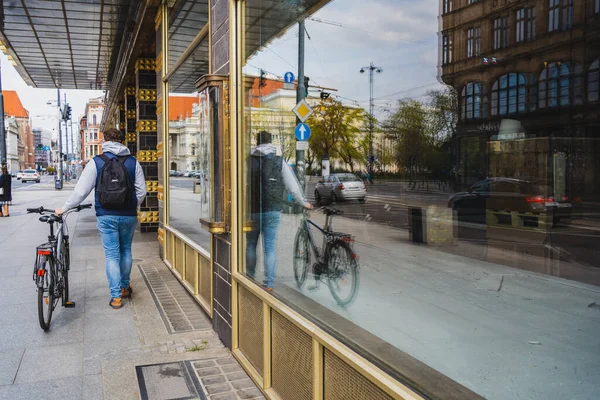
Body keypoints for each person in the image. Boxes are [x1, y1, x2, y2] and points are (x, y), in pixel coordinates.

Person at [56, 128, 147, 309]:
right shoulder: (133, 162)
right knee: (126, 251)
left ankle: (115, 297)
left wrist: (65, 208)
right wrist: (132, 206)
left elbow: (81, 191)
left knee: (112, 255)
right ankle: (124, 287)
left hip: (106, 215)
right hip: (128, 215)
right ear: (122, 140)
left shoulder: (96, 162)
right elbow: (142, 191)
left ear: (104, 140)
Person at [247, 131, 312, 290]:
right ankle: (269, 283)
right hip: (273, 209)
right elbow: (292, 185)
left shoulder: (249, 160)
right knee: (269, 247)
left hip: (253, 209)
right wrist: (303, 202)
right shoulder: (278, 161)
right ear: (271, 141)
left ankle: (249, 277)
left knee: (251, 244)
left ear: (257, 142)